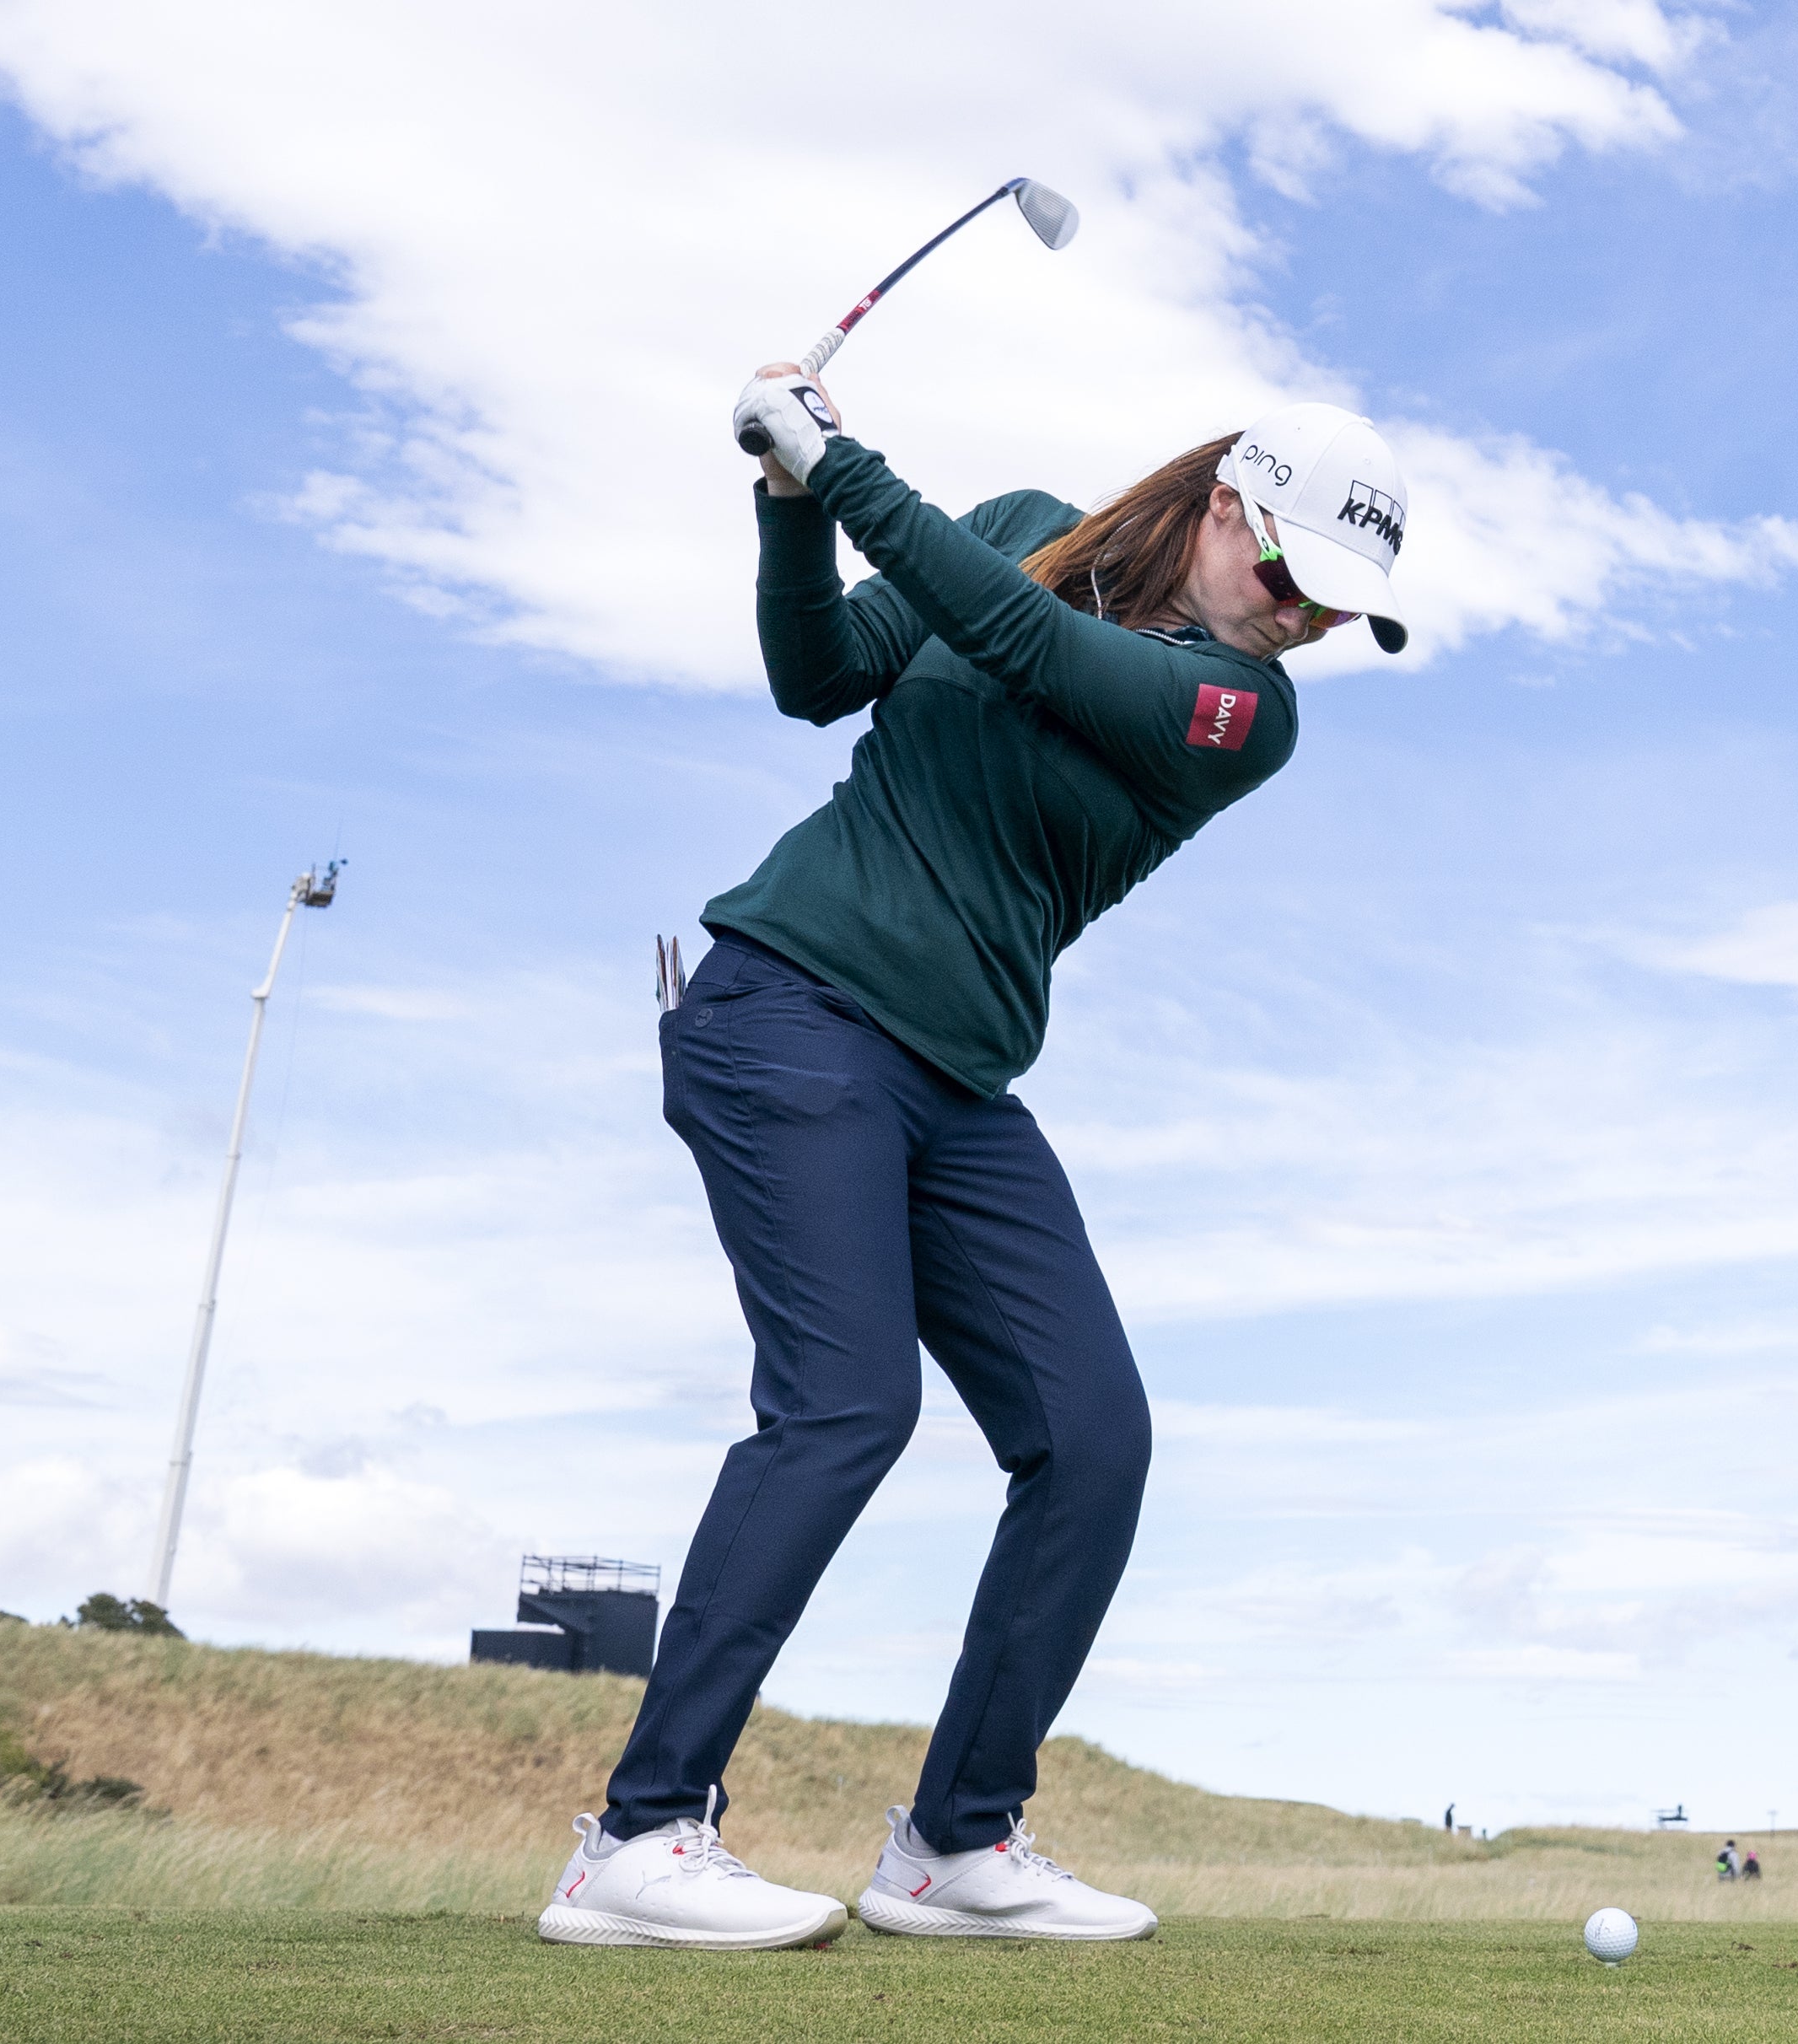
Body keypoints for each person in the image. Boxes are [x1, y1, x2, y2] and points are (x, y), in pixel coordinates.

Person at [539, 371, 1413, 1953]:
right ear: (1230, 503)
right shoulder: (1018, 536)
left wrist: (844, 465)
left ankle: (953, 1845)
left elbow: (1028, 649)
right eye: (1292, 576)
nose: (1303, 620)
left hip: (959, 1083)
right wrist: (790, 504)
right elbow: (818, 675)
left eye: (1340, 612)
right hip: (788, 1010)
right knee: (846, 1403)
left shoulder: (1242, 715)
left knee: (1094, 1438)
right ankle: (640, 1833)